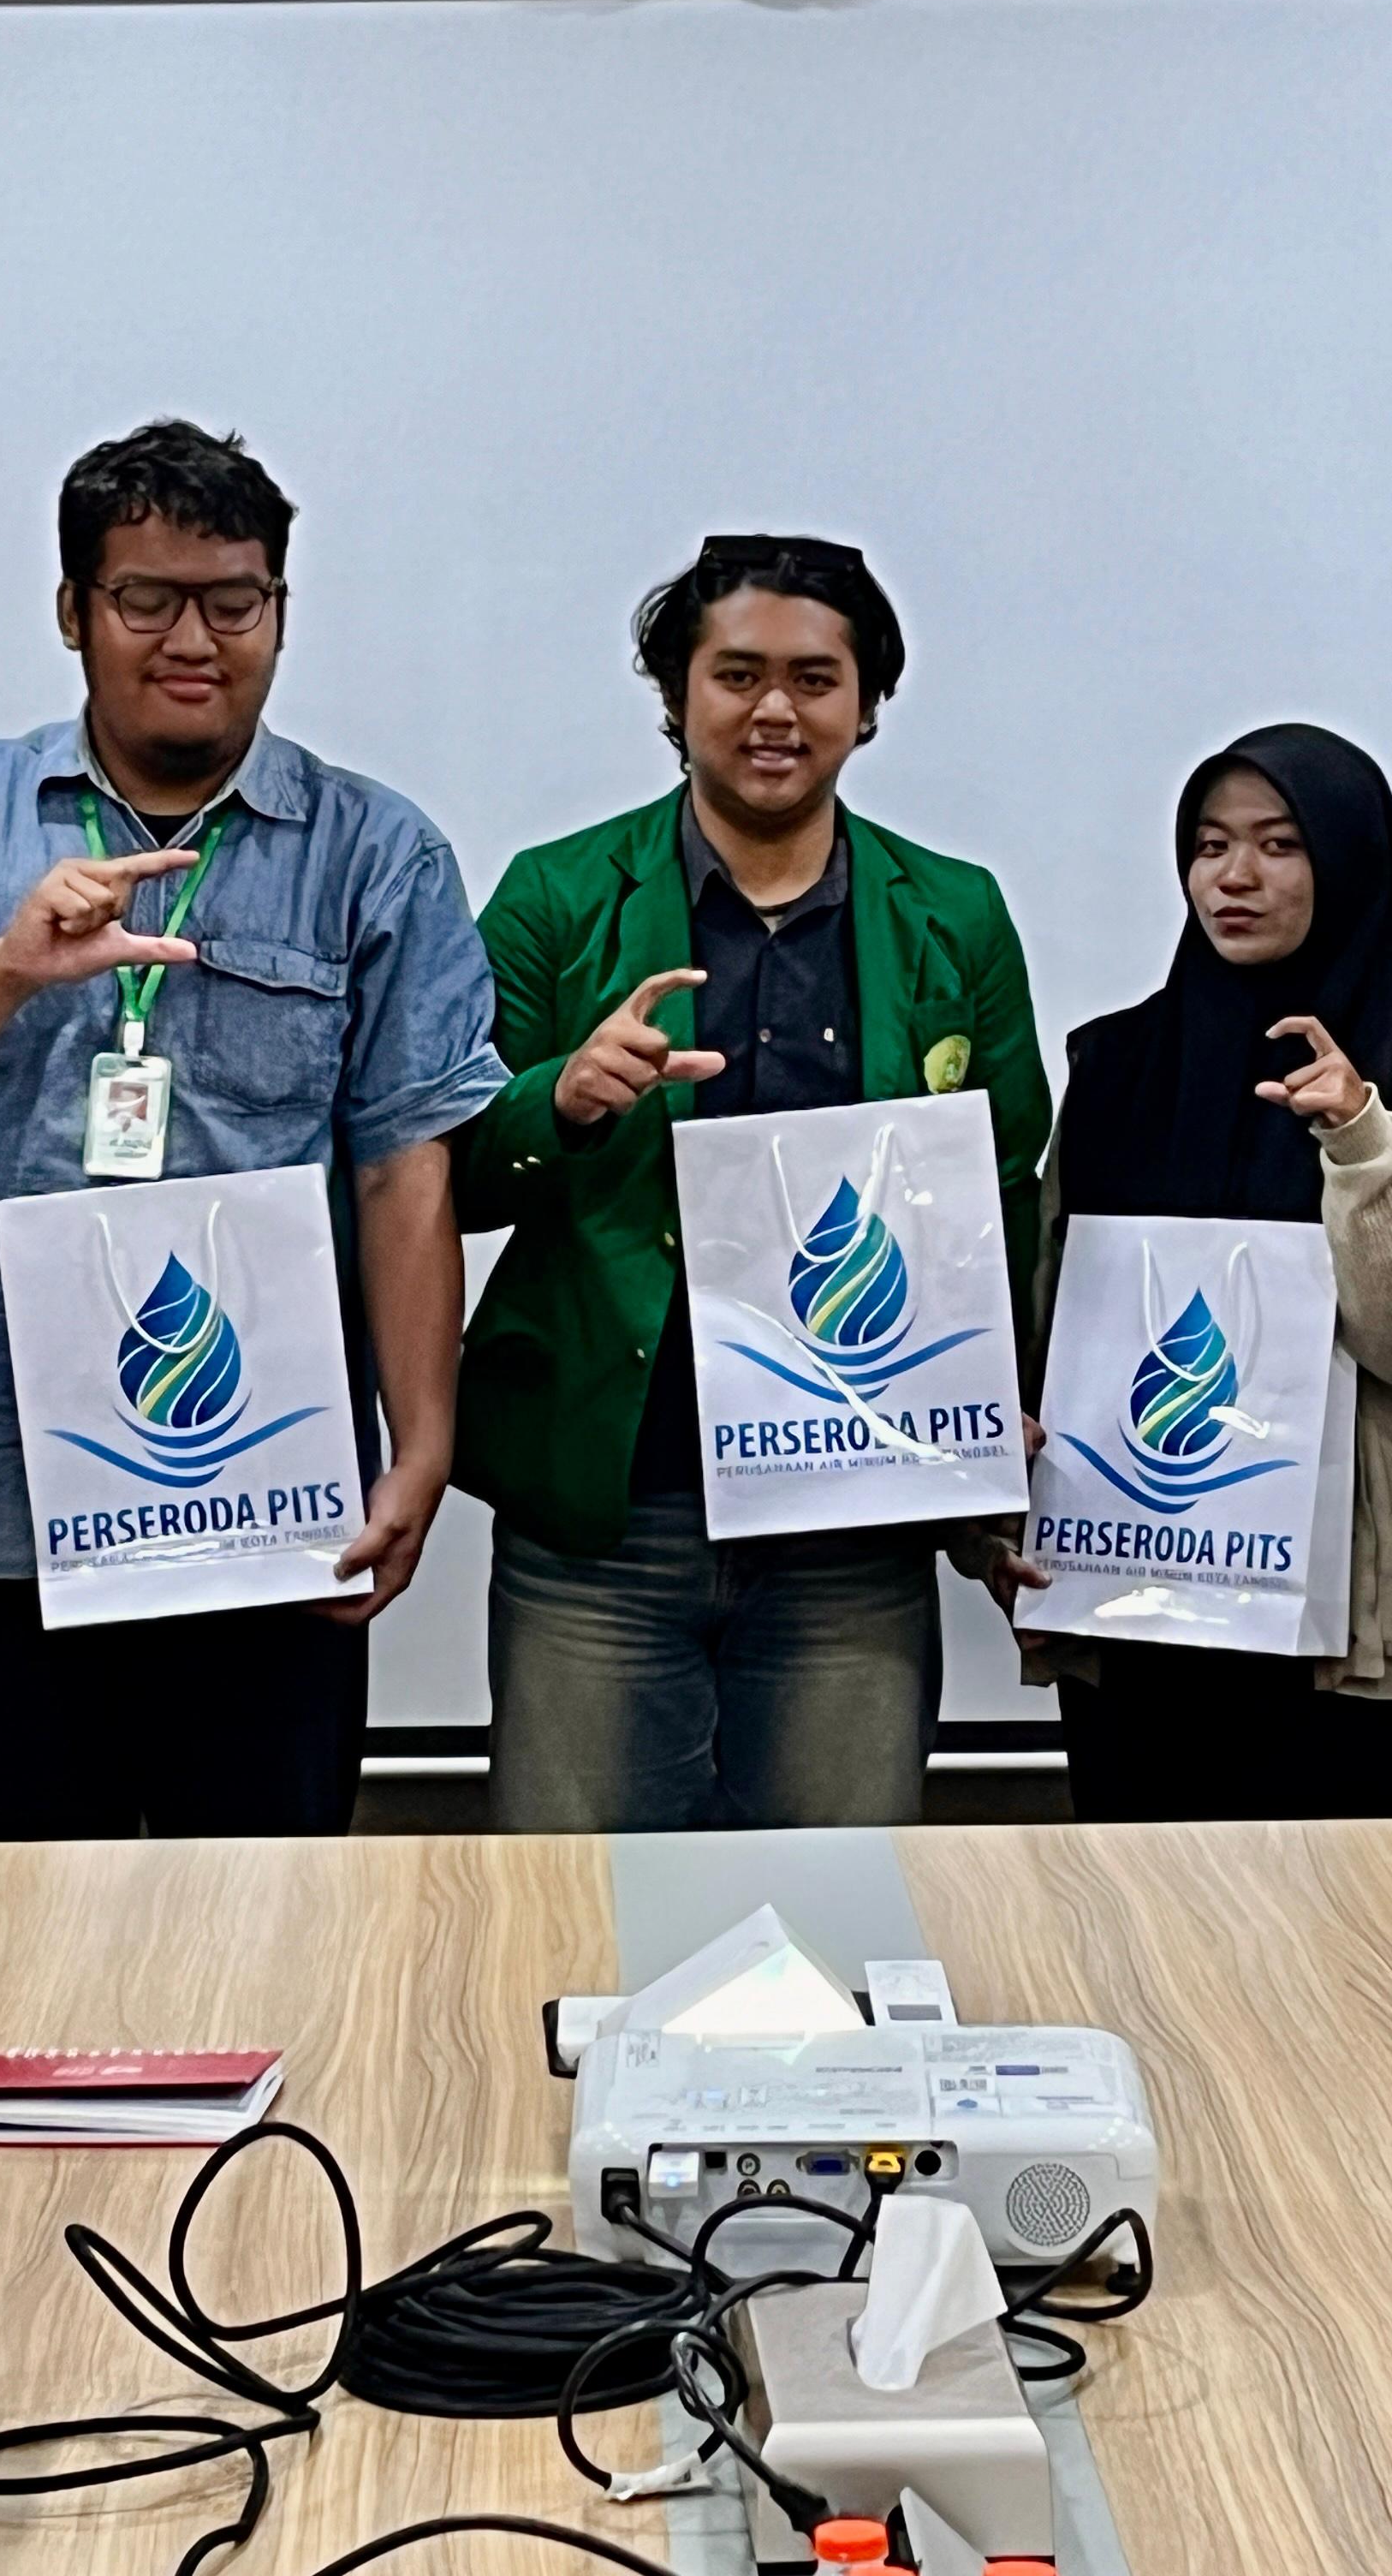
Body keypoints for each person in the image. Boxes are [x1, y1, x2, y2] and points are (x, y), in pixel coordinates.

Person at [0, 419, 507, 1843]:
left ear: (278, 611)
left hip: (264, 1523)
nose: (193, 639)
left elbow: (400, 1169)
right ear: (74, 610)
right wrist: (5, 969)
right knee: (6, 1952)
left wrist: (422, 1443)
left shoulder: (377, 850)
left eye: (233, 602)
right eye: (147, 599)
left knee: (261, 1944)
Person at [456, 536, 1049, 1832]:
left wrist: (996, 1437)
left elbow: (1006, 1194)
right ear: (678, 695)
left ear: (867, 703)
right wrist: (561, 1100)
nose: (775, 709)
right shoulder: (556, 896)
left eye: (814, 679)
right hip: (607, 1525)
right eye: (736, 675)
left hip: (855, 1524)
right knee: (579, 1912)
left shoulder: (955, 914)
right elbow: (440, 1172)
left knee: (838, 1914)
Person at [997, 726, 1392, 1822]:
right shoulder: (1116, 1064)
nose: (1234, 876)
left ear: (1349, 862)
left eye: (1279, 844)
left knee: (1334, 1919)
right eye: (1210, 844)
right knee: (1131, 1910)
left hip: (1334, 1618)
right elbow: (1050, 1310)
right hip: (1131, 1588)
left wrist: (1361, 1140)